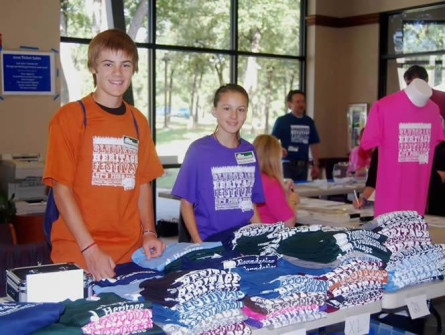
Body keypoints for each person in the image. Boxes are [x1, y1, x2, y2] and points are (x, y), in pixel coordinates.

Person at [43, 29, 165, 280]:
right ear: (93, 67)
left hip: (130, 254)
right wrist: (90, 250)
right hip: (78, 250)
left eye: (125, 65)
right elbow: (61, 189)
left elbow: (143, 183)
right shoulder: (70, 118)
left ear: (134, 70)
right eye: (108, 64)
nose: (117, 73)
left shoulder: (138, 121)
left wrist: (149, 233)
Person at [171, 84, 265, 243]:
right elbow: (186, 204)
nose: (234, 116)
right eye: (227, 108)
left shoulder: (249, 151)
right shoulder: (198, 150)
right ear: (214, 111)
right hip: (209, 241)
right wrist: (198, 243)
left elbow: (249, 203)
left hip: (242, 241)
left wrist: (263, 236)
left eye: (240, 109)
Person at [361, 78, 443, 216]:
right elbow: (367, 144)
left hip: (417, 211)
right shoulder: (383, 107)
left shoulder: (434, 111)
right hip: (388, 211)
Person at [272, 90, 320, 181]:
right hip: (287, 165)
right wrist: (279, 149)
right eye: (298, 102)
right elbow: (271, 141)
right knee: (288, 192)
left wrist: (316, 165)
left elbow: (314, 144)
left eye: (303, 101)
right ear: (290, 104)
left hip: (303, 165)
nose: (301, 104)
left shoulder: (309, 122)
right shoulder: (282, 121)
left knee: (302, 192)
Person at [253, 134, 299, 227]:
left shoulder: (252, 178)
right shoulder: (271, 184)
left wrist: (283, 191)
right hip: (270, 236)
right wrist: (292, 200)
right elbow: (289, 223)